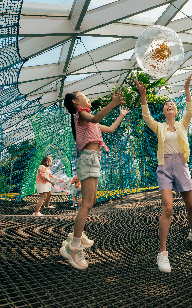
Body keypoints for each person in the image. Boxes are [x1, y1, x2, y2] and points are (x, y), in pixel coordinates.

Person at [135, 74, 192, 273]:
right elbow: (146, 117)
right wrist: (143, 96)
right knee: (167, 208)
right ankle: (163, 253)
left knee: (191, 207)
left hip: (181, 166)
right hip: (165, 167)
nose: (169, 105)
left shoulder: (182, 124)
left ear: (176, 110)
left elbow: (190, 110)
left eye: (173, 104)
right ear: (164, 111)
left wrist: (186, 91)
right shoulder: (159, 127)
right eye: (166, 104)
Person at [61, 90, 129, 269]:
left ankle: (76, 236)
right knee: (87, 203)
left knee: (90, 201)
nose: (89, 98)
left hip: (93, 159)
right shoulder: (80, 114)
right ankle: (73, 247)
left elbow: (111, 128)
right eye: (85, 95)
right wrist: (112, 104)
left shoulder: (90, 122)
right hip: (89, 158)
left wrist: (120, 115)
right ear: (76, 102)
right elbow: (95, 118)